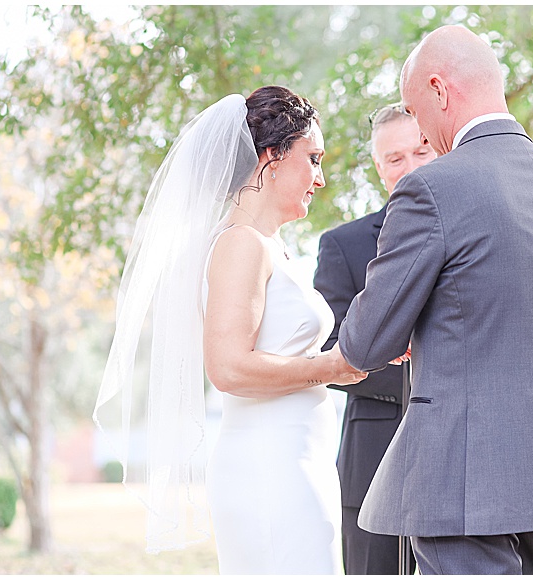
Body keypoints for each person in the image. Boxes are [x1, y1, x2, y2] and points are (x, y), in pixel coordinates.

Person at [337, 25, 533, 575]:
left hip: (458, 479)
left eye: (418, 114)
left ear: (440, 91)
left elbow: (366, 341)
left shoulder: (432, 188)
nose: (423, 133)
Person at [94, 86, 367, 574]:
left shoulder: (270, 244)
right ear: (271, 158)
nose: (320, 178)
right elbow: (228, 368)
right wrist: (330, 366)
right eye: (313, 159)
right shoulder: (241, 244)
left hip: (297, 459)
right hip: (269, 467)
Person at [313, 104, 434, 574]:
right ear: (379, 169)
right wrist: (412, 366)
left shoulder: (478, 230)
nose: (410, 167)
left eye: (421, 151)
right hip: (373, 459)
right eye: (394, 158)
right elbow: (327, 353)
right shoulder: (343, 245)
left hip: (462, 463)